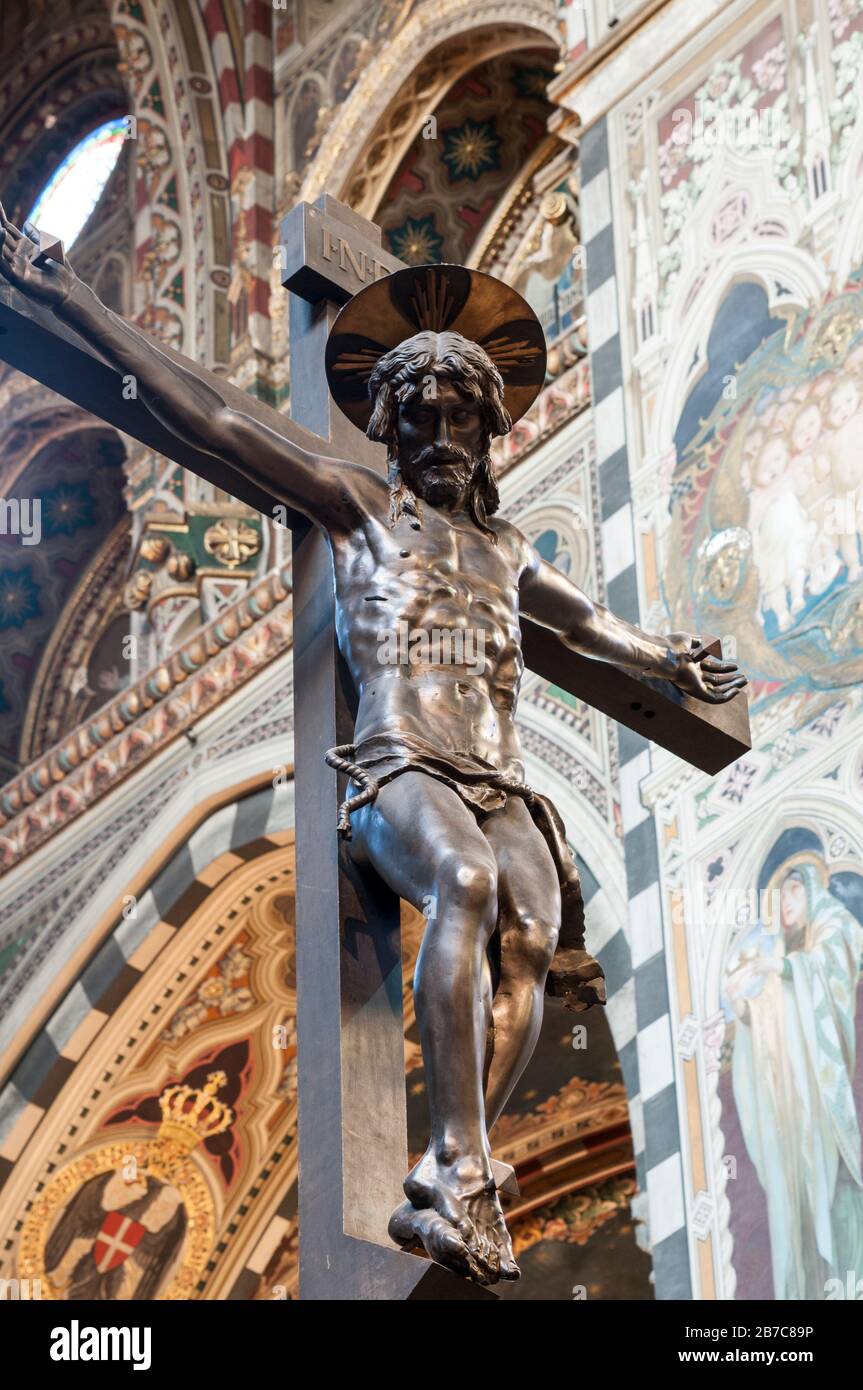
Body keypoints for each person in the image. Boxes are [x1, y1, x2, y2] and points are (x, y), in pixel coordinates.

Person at [0, 209, 746, 1284]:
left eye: (460, 418)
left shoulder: (502, 550)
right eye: (422, 417)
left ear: (487, 432)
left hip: (498, 773)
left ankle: (464, 1168)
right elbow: (211, 416)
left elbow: (589, 630)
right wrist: (71, 302)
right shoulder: (356, 510)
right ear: (390, 427)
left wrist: (672, 662)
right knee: (466, 881)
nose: (442, 435)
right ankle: (450, 1155)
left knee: (533, 932)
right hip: (399, 762)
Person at [724, 865, 863, 1299]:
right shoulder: (784, 961)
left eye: (792, 895)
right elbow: (767, 1016)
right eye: (780, 902)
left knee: (841, 1186)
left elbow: (833, 969)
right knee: (805, 1198)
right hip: (801, 1124)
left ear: (812, 891)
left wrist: (781, 966)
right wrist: (742, 1009)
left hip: (832, 1108)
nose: (785, 908)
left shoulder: (834, 927)